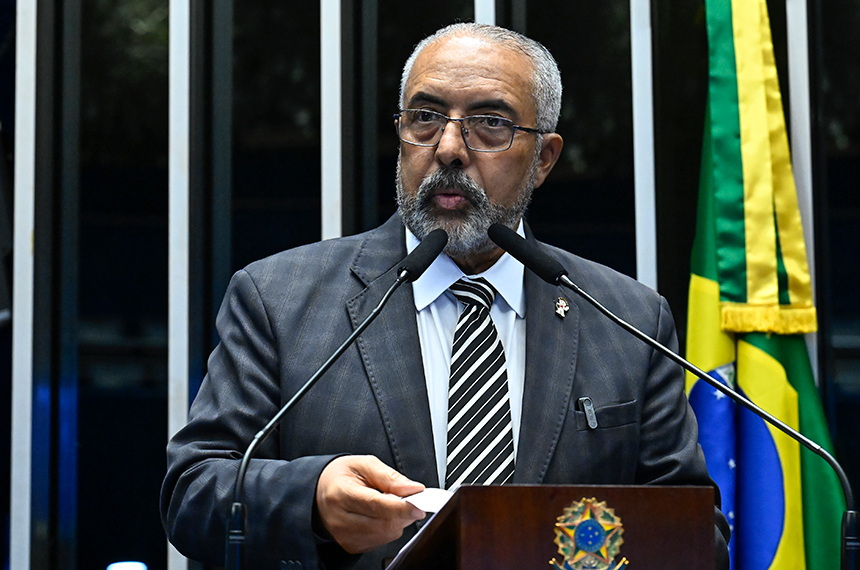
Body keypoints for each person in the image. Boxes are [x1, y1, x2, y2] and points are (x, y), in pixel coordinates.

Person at [161, 22, 730, 570]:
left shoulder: (626, 318)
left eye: (490, 123)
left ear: (544, 160)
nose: (450, 148)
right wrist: (310, 498)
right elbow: (194, 492)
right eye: (426, 118)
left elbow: (697, 534)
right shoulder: (280, 300)